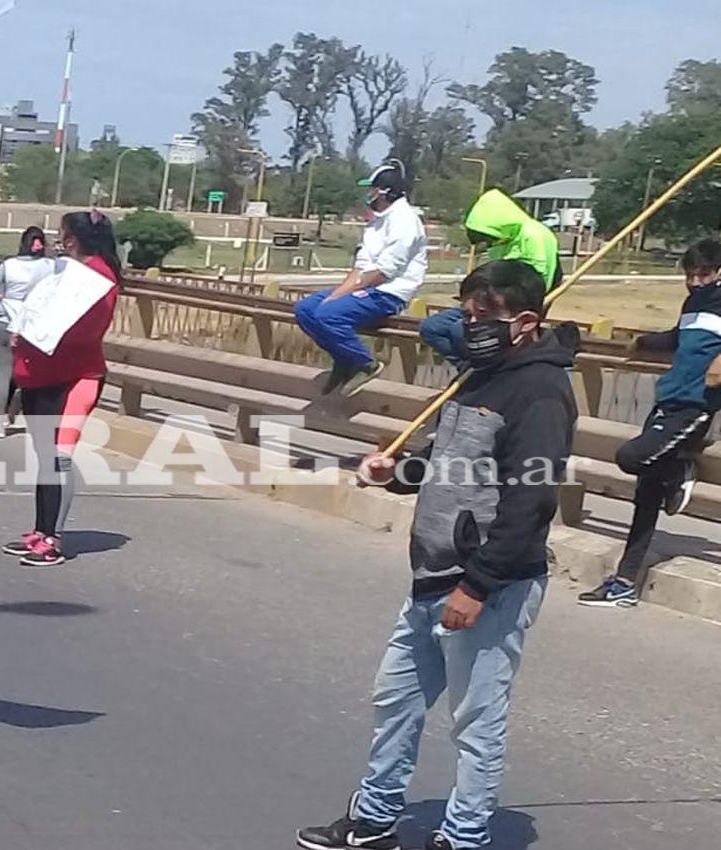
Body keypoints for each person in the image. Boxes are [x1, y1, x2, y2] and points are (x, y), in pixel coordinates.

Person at [295, 260, 575, 850]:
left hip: (487, 585)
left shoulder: (540, 390)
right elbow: (450, 461)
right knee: (394, 698)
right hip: (429, 573)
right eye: (467, 312)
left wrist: (477, 586)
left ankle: (465, 835)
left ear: (524, 322)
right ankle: (374, 815)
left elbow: (531, 501)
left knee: (476, 719)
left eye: (485, 315)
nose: (470, 324)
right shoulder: (475, 374)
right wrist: (396, 472)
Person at [579, 239, 721, 609]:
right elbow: (679, 338)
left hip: (694, 409)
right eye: (689, 275)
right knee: (645, 497)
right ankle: (625, 582)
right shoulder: (695, 303)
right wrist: (643, 341)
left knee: (630, 457)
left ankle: (679, 468)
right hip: (667, 401)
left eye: (702, 274)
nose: (694, 282)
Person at [2, 211, 121, 567]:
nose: (55, 239)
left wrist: (33, 332)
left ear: (71, 239)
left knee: (59, 457)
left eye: (60, 233)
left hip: (76, 377)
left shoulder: (97, 278)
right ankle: (41, 529)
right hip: (43, 374)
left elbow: (79, 330)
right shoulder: (66, 271)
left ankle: (53, 538)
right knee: (45, 456)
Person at [295, 161, 427, 397]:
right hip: (367, 287)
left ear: (385, 191)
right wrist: (336, 295)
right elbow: (361, 268)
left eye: (373, 189)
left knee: (328, 314)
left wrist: (336, 301)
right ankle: (344, 361)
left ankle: (367, 364)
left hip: (389, 293)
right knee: (306, 309)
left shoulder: (405, 221)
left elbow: (384, 272)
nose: (370, 194)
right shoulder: (376, 221)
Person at [420, 189, 561, 365]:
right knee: (432, 327)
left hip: (503, 311)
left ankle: (480, 366)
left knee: (460, 331)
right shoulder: (502, 240)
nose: (488, 244)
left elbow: (534, 282)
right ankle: (467, 368)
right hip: (482, 304)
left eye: (488, 239)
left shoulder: (533, 235)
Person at [0, 226, 54, 438]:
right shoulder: (50, 266)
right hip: (33, 326)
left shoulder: (9, 265)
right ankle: (19, 402)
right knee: (29, 372)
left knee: (2, 373)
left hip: (4, 321)